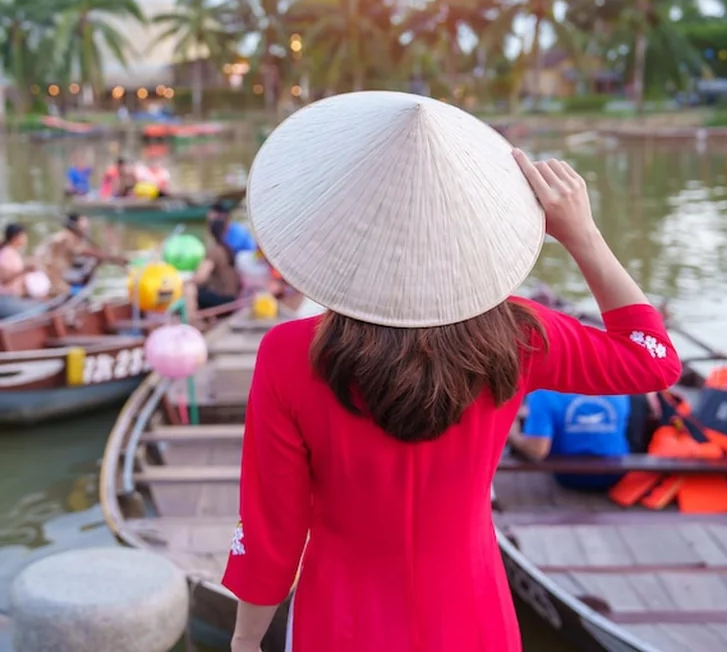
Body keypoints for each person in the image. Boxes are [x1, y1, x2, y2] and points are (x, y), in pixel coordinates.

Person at [220, 92, 681, 652]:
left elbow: (272, 535)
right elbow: (651, 358)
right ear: (472, 226)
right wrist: (581, 233)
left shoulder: (290, 353)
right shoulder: (520, 336)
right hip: (474, 619)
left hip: (341, 622)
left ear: (342, 227)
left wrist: (246, 641)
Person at [507, 391, 645, 490]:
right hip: (616, 474)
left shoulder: (543, 393)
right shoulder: (619, 386)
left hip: (568, 477)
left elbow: (537, 450)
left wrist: (512, 433)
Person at [34, 214, 126, 294]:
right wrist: (110, 257)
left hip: (72, 278)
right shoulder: (63, 239)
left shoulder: (79, 238)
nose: (86, 226)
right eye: (83, 223)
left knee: (96, 260)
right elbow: (84, 251)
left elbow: (95, 255)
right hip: (59, 282)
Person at [188, 218, 242, 311]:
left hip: (223, 300)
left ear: (210, 233)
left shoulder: (214, 251)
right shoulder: (228, 249)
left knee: (189, 288)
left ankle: (193, 320)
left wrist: (185, 281)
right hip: (233, 297)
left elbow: (200, 277)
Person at [0, 223, 43, 318]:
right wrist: (24, 270)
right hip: (4, 300)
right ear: (16, 237)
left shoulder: (14, 253)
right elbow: (5, 280)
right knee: (38, 312)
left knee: (42, 305)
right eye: (24, 236)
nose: (26, 239)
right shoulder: (5, 254)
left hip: (13, 298)